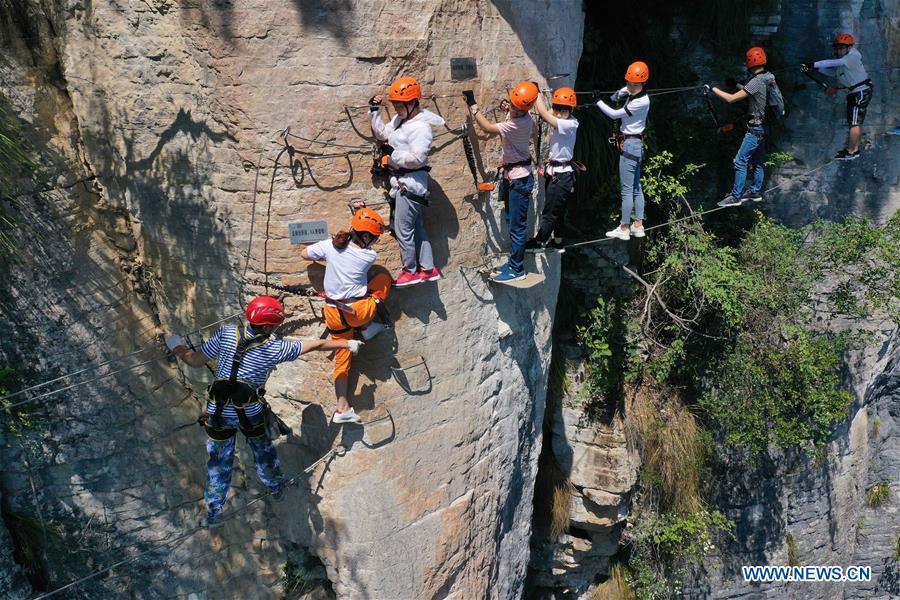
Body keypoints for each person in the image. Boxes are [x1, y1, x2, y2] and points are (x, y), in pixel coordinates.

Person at [165, 296, 360, 528]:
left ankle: (213, 511)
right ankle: (276, 487)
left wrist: (176, 346)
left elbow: (195, 360)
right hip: (250, 413)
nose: (276, 329)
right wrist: (346, 344)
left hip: (217, 413)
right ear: (267, 326)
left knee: (219, 461)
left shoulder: (226, 333)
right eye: (275, 325)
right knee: (263, 452)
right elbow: (316, 345)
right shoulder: (274, 348)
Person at [300, 208, 392, 424]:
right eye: (375, 239)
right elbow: (355, 256)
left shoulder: (329, 246)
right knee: (383, 281)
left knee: (342, 357)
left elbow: (304, 254)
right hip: (357, 312)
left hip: (332, 312)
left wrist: (325, 250)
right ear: (367, 237)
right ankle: (368, 327)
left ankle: (342, 408)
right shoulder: (369, 256)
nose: (375, 244)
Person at [369, 76, 445, 287]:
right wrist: (375, 111)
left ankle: (410, 270)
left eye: (400, 106)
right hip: (407, 182)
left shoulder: (420, 127)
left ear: (412, 103)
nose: (397, 109)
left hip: (410, 183)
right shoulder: (401, 120)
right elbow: (383, 133)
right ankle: (428, 268)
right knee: (417, 227)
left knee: (403, 229)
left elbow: (417, 158)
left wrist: (393, 155)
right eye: (395, 105)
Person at [466, 82, 538, 282]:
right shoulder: (524, 115)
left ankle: (517, 269)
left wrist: (473, 105)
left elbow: (487, 127)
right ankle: (514, 263)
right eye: (511, 105)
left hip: (519, 179)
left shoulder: (516, 124)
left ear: (523, 109)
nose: (511, 108)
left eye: (515, 106)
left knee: (517, 226)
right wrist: (510, 93)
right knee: (510, 220)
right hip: (514, 177)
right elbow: (516, 103)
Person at [711, 47, 784, 206]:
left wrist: (713, 89)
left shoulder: (756, 81)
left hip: (755, 129)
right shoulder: (769, 77)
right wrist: (736, 84)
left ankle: (736, 196)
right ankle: (755, 191)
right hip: (765, 127)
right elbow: (753, 92)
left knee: (740, 161)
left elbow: (731, 99)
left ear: (749, 62)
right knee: (758, 161)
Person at [597, 61, 651, 240]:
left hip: (630, 146)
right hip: (636, 145)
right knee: (636, 188)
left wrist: (597, 101)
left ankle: (624, 227)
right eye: (627, 82)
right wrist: (619, 93)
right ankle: (638, 225)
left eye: (632, 84)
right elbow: (618, 96)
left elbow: (614, 114)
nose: (629, 86)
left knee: (627, 190)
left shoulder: (640, 102)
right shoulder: (637, 94)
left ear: (641, 83)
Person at [801, 33, 872, 160]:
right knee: (855, 122)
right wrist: (815, 69)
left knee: (854, 123)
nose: (839, 50)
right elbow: (833, 73)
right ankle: (854, 150)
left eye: (842, 48)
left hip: (860, 92)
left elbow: (833, 63)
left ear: (849, 48)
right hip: (854, 92)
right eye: (837, 48)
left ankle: (851, 152)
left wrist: (814, 64)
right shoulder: (844, 62)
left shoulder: (852, 57)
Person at [527, 87, 580, 251]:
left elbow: (544, 114)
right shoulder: (561, 118)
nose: (559, 112)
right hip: (556, 172)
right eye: (557, 108)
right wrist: (549, 102)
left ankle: (539, 242)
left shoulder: (570, 123)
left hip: (562, 176)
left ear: (570, 110)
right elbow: (549, 113)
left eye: (563, 109)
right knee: (558, 210)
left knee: (550, 211)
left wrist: (538, 97)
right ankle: (557, 242)